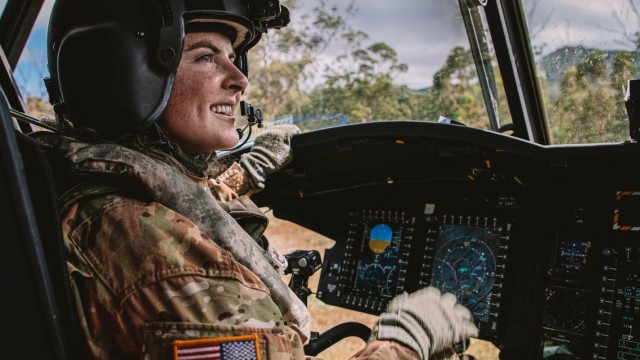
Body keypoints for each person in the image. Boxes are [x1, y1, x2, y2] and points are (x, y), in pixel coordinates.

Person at [34, 0, 478, 359]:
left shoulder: (91, 189)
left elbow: (178, 198)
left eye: (233, 57)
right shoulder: (156, 248)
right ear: (119, 70)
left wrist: (246, 173)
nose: (239, 79)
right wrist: (402, 342)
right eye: (207, 56)